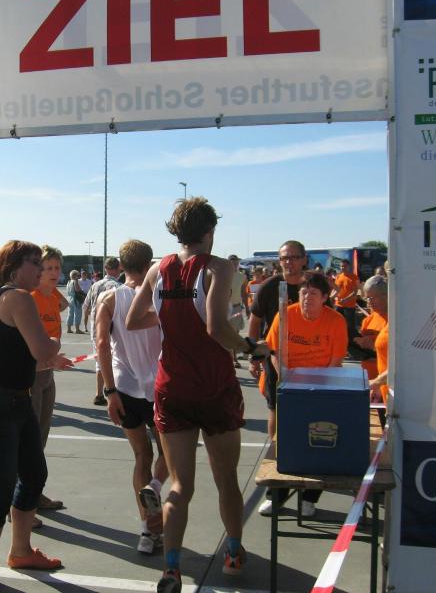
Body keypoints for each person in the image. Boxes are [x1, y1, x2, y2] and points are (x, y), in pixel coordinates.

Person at [126, 197, 270, 593]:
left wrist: (169, 313)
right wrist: (251, 348)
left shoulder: (157, 269)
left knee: (179, 486)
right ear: (210, 231)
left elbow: (133, 319)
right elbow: (217, 329)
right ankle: (234, 552)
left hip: (172, 388)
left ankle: (171, 569)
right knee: (226, 479)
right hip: (214, 387)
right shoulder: (219, 267)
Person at [0, 241, 71, 593]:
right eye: (33, 262)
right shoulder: (20, 298)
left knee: (34, 474)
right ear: (13, 267)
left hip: (14, 400)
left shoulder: (7, 297)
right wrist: (53, 343)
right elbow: (42, 349)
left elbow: (19, 359)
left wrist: (48, 357)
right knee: (2, 486)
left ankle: (20, 551)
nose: (40, 269)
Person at [95, 239, 169, 554]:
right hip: (160, 387)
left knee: (141, 456)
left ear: (121, 265)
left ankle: (146, 532)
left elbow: (101, 344)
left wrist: (109, 391)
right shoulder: (159, 296)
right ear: (149, 263)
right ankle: (155, 487)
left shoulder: (108, 298)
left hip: (124, 388)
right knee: (169, 454)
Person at [264, 271, 348, 518]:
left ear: (324, 297)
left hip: (321, 389)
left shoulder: (336, 320)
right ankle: (276, 496)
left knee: (319, 442)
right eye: (303, 292)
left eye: (313, 293)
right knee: (287, 443)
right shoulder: (285, 316)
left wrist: (317, 391)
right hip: (289, 388)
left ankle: (309, 498)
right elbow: (274, 351)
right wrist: (287, 381)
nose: (307, 297)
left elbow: (335, 360)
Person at [248, 241, 306, 516]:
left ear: (304, 259)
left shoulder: (312, 285)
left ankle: (309, 490)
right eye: (284, 258)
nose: (289, 262)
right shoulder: (270, 286)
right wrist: (253, 356)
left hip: (310, 363)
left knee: (309, 420)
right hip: (276, 361)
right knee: (276, 412)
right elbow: (255, 321)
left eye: (294, 257)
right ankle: (277, 478)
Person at [30, 245, 71, 516]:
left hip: (48, 374)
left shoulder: (54, 295)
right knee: (29, 440)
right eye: (48, 268)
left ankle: (33, 493)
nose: (54, 273)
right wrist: (49, 359)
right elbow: (25, 347)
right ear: (38, 271)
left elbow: (63, 305)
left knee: (41, 436)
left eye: (57, 268)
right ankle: (21, 503)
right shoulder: (30, 298)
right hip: (32, 374)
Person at [83, 257, 123, 406]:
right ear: (117, 269)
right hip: (111, 328)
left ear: (105, 269)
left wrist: (88, 322)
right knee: (114, 361)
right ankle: (112, 391)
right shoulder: (118, 287)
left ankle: (99, 393)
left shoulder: (95, 285)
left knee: (99, 361)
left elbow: (86, 306)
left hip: (95, 328)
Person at [352, 275, 388, 383]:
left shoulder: (395, 321)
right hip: (368, 379)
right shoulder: (367, 320)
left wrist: (374, 347)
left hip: (384, 380)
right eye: (367, 298)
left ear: (386, 295)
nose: (369, 302)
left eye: (373, 297)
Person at [332, 258, 360, 351]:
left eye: (344, 266)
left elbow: (355, 292)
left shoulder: (354, 277)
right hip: (338, 305)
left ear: (349, 266)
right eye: (341, 266)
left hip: (349, 307)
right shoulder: (338, 277)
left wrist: (345, 299)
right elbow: (336, 289)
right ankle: (339, 345)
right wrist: (334, 297)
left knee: (350, 327)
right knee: (337, 325)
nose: (342, 268)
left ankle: (352, 347)